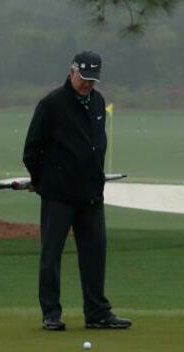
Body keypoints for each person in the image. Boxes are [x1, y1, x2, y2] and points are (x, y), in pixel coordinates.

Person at [22, 50, 131, 332]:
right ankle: (51, 313)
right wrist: (41, 180)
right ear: (72, 71)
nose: (87, 84)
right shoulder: (52, 104)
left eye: (92, 80)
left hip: (91, 192)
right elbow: (32, 150)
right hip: (59, 192)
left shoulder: (97, 102)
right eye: (83, 78)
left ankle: (97, 312)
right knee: (51, 254)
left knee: (95, 253)